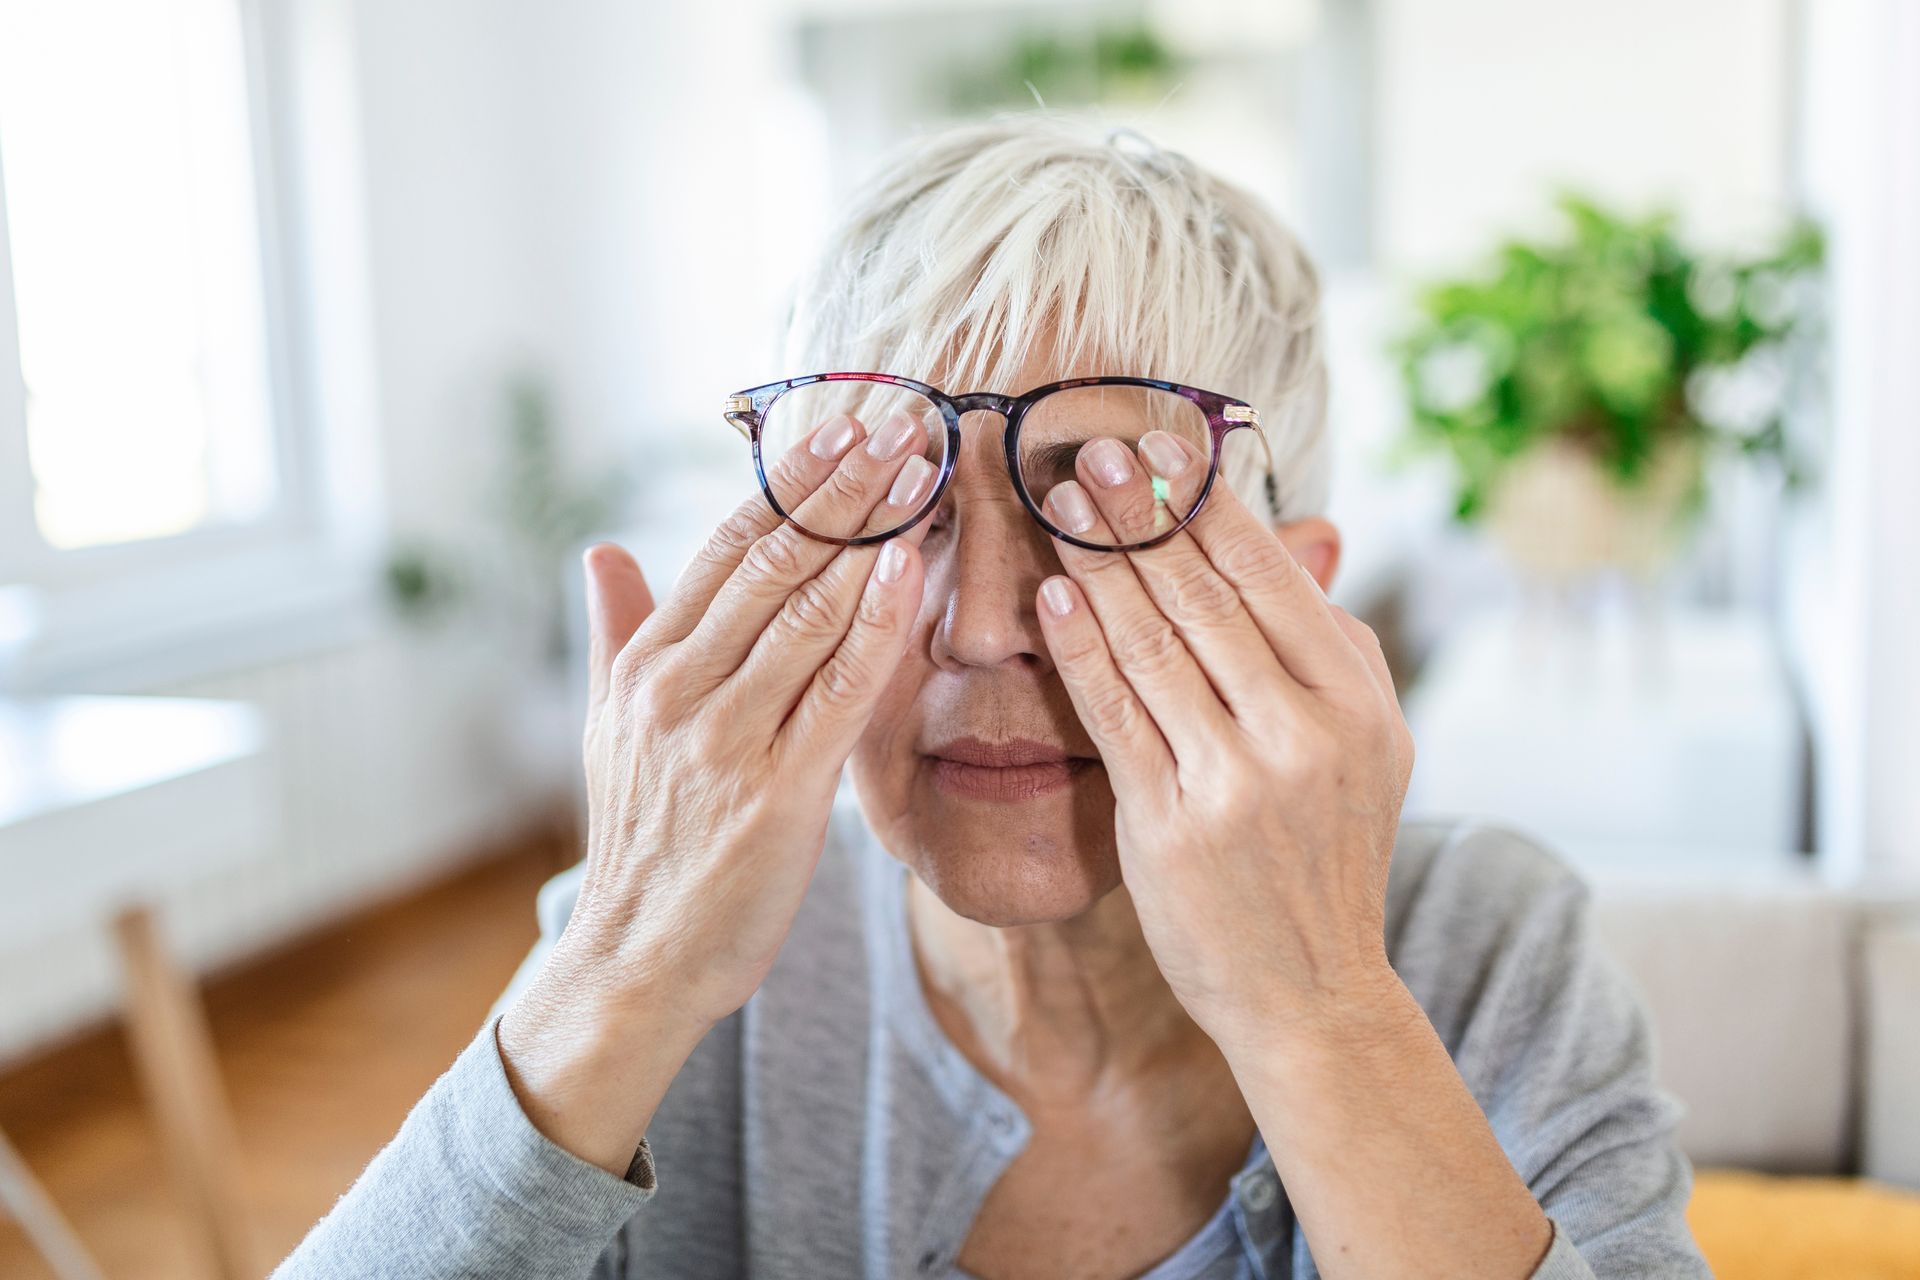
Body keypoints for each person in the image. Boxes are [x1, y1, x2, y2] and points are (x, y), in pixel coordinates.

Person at [273, 114, 1709, 1279]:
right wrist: (626, 965)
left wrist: (1317, 1009)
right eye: (895, 503)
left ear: (1302, 600)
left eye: (1103, 498)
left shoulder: (1487, 947)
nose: (976, 628)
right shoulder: (668, 959)